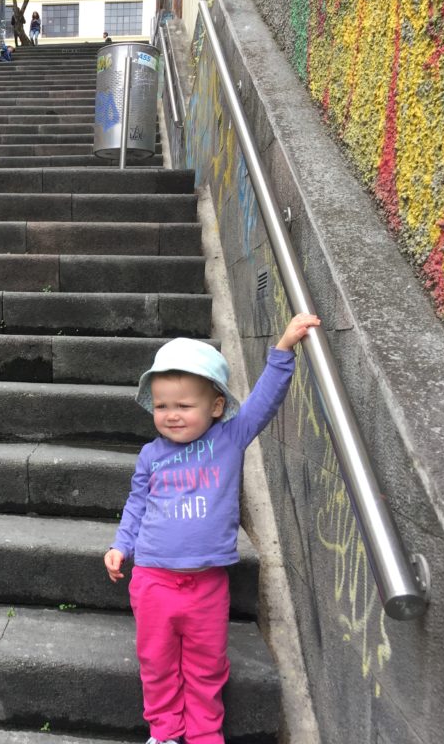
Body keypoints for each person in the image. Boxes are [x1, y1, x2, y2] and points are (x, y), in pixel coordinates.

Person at [104, 313, 321, 744]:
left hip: (206, 584)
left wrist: (283, 348)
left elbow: (263, 403)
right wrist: (120, 545)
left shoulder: (229, 439)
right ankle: (165, 730)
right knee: (157, 660)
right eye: (162, 406)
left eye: (184, 406)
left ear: (216, 406)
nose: (172, 415)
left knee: (207, 665)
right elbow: (137, 504)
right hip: (153, 579)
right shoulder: (151, 455)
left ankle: (205, 732)